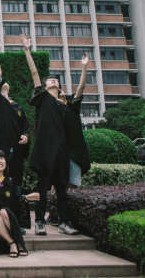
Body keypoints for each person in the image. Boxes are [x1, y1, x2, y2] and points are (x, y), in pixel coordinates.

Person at [22, 35, 79, 236]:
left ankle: (64, 221)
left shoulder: (64, 105)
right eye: (50, 80)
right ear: (45, 86)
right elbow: (35, 73)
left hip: (62, 153)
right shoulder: (43, 98)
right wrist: (27, 50)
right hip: (46, 152)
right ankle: (39, 222)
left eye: (56, 79)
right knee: (43, 189)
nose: (53, 80)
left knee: (62, 190)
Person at [0, 136, 39, 257]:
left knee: (4, 211)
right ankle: (12, 242)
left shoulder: (10, 182)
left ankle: (13, 241)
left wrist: (25, 199)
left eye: (1, 158)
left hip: (5, 224)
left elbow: (15, 205)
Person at [0, 36, 29, 186]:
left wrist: (26, 136)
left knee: (15, 182)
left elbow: (25, 127)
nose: (3, 83)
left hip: (14, 149)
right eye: (0, 83)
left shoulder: (17, 107)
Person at [65, 54, 91, 189]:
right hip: (58, 151)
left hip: (73, 152)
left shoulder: (71, 106)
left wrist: (84, 67)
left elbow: (81, 87)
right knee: (56, 184)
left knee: (73, 184)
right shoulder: (50, 108)